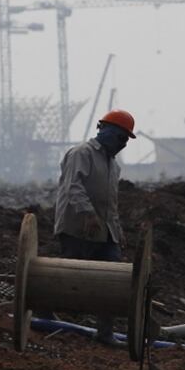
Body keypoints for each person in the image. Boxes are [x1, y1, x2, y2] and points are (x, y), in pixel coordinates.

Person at [54, 109, 135, 347]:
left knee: (111, 281)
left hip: (104, 233)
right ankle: (43, 312)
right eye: (121, 138)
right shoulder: (81, 154)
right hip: (76, 230)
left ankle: (105, 332)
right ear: (106, 131)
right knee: (68, 278)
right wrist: (88, 214)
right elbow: (73, 187)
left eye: (126, 141)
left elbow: (111, 203)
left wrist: (117, 232)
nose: (122, 145)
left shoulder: (114, 166)